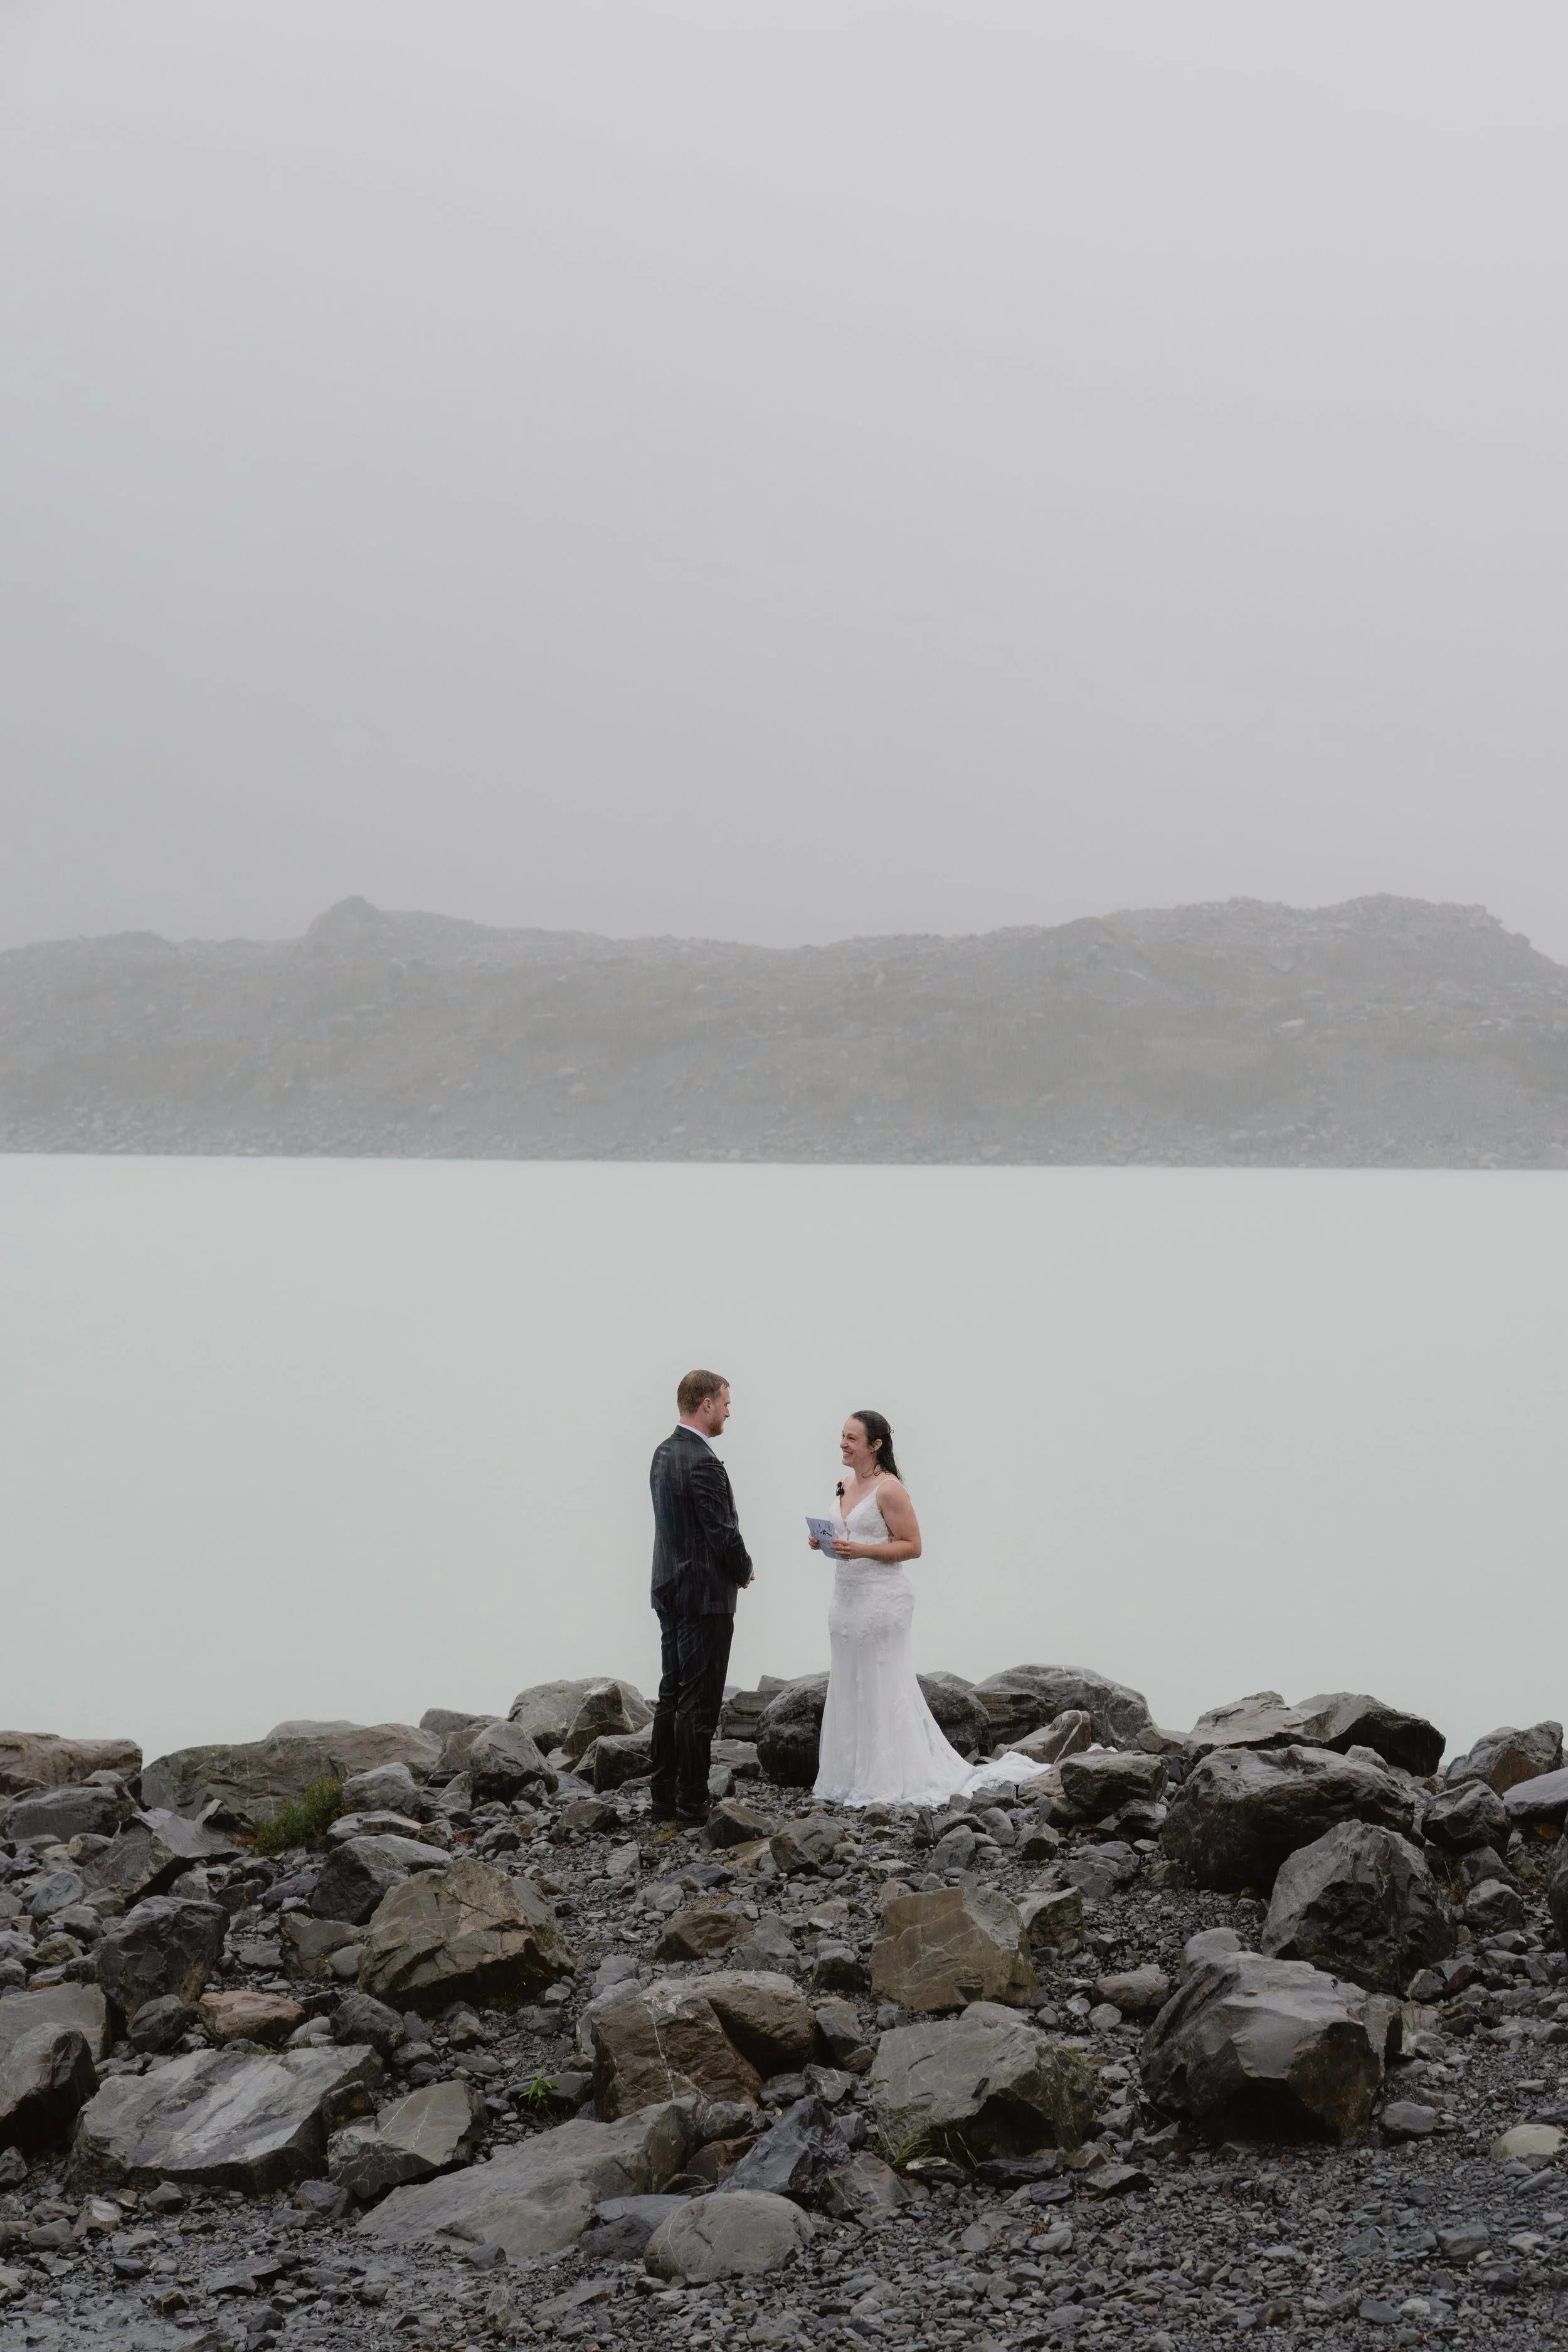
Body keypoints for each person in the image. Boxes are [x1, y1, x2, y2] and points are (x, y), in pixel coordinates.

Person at [810, 1409, 1039, 1806]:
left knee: (881, 1684)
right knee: (849, 1682)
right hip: (845, 1600)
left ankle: (886, 1779)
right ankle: (847, 1775)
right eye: (842, 1436)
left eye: (852, 1438)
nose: (843, 1444)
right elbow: (850, 1533)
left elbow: (912, 1546)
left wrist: (860, 1550)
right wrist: (826, 1542)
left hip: (881, 1602)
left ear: (875, 1445)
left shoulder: (889, 1489)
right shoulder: (845, 1484)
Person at [649, 1369, 754, 1824]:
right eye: (726, 1403)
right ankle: (692, 1800)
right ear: (706, 1403)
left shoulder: (663, 1453)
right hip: (704, 1595)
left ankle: (662, 1796)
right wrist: (744, 1568)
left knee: (671, 1696)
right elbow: (721, 1532)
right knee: (700, 1702)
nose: (729, 1410)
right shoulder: (704, 1462)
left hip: (668, 1587)